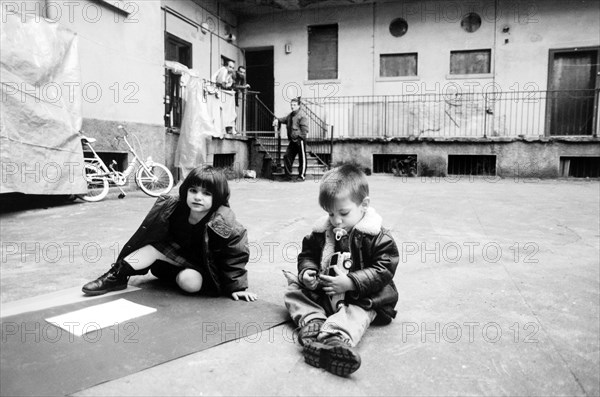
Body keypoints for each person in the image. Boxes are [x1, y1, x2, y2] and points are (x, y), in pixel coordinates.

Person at [283, 164, 399, 376]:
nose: (336, 220)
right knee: (293, 291)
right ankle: (314, 323)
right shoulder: (321, 231)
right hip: (326, 294)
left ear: (364, 205)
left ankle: (334, 339)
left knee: (357, 313)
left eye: (343, 213)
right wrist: (307, 272)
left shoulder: (377, 236)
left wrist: (352, 282)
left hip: (362, 298)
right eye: (330, 213)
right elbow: (307, 254)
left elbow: (384, 269)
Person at [82, 166, 257, 302]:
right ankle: (116, 276)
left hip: (205, 269)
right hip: (176, 254)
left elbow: (234, 256)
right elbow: (150, 235)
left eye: (206, 193)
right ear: (186, 191)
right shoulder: (173, 207)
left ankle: (169, 273)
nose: (198, 197)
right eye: (193, 190)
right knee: (152, 248)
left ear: (218, 197)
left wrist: (237, 288)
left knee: (190, 284)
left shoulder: (225, 224)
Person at [272, 97, 309, 181]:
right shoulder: (290, 115)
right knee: (287, 156)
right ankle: (287, 176)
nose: (292, 106)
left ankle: (301, 176)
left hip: (300, 140)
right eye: (291, 105)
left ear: (299, 106)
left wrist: (300, 138)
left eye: (294, 105)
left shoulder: (302, 115)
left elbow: (305, 130)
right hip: (292, 141)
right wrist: (277, 120)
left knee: (302, 158)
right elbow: (284, 119)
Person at [212, 60, 237, 134]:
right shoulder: (224, 70)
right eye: (230, 67)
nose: (231, 69)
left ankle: (228, 127)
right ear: (226, 66)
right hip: (216, 90)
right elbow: (222, 83)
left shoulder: (229, 74)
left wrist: (229, 84)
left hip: (221, 92)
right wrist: (227, 85)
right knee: (220, 110)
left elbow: (229, 83)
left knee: (229, 110)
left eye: (233, 68)